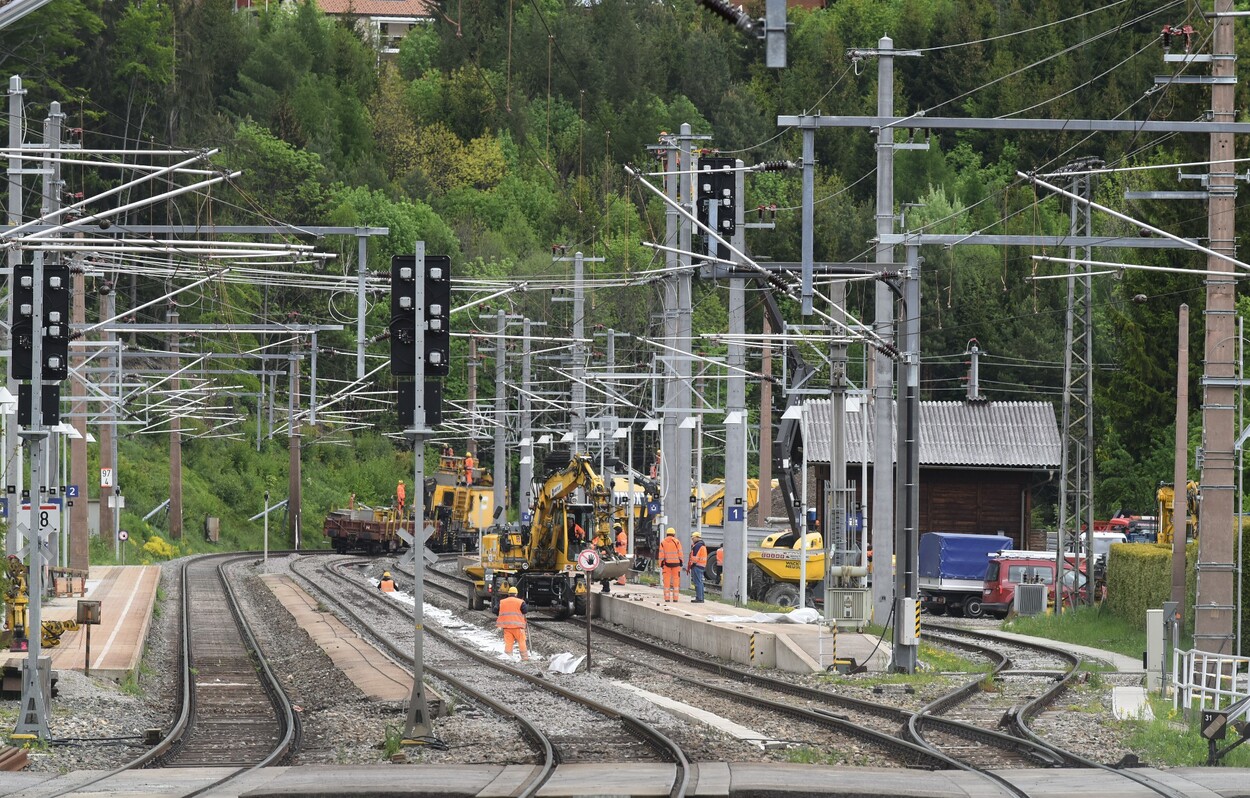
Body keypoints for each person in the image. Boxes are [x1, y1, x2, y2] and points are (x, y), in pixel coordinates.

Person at [496, 586, 530, 661]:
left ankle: (508, 657)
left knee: (508, 642)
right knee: (521, 642)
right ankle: (524, 658)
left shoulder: (502, 602)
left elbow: (495, 610)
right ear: (516, 594)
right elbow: (525, 611)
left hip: (507, 627)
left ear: (509, 594)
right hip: (518, 627)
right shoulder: (520, 602)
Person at [658, 527, 684, 602]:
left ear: (667, 534)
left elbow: (661, 554)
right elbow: (680, 552)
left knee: (666, 581)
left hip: (666, 564)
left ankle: (667, 598)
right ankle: (675, 598)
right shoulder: (677, 542)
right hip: (676, 564)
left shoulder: (663, 542)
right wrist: (681, 561)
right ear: (674, 534)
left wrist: (661, 564)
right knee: (676, 580)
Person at [688, 530, 707, 603]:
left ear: (697, 537)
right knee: (700, 582)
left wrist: (691, 565)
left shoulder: (697, 546)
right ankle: (701, 597)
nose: (692, 539)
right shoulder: (702, 545)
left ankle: (699, 598)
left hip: (697, 566)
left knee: (697, 582)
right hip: (701, 565)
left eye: (693, 538)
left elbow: (695, 558)